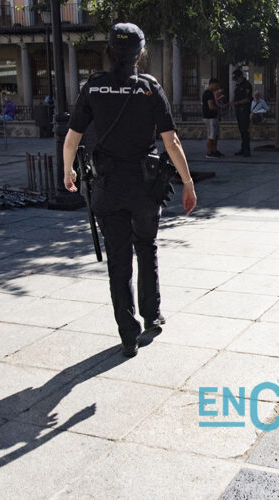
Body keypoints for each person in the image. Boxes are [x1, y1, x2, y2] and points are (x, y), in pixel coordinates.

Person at [63, 22, 198, 358]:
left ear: (109, 50)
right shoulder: (150, 88)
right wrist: (187, 181)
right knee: (147, 247)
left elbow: (72, 137)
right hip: (145, 186)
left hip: (108, 188)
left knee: (118, 263)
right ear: (140, 54)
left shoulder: (93, 88)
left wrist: (68, 171)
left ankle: (128, 335)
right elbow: (171, 140)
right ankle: (152, 314)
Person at [231, 68, 253, 157]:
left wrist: (237, 103)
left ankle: (247, 150)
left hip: (244, 111)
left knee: (245, 130)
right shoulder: (238, 85)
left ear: (240, 76)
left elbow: (247, 99)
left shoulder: (247, 85)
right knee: (241, 131)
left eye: (237, 78)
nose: (236, 80)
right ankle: (243, 148)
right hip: (239, 111)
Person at [202, 78, 223, 158]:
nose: (217, 88)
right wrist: (218, 108)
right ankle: (209, 152)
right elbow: (211, 106)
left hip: (213, 117)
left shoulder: (210, 93)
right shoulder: (208, 93)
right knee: (211, 135)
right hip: (209, 117)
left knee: (215, 135)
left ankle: (214, 150)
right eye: (216, 86)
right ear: (212, 84)